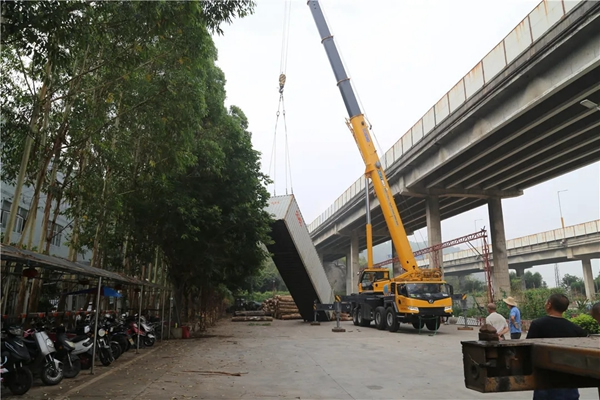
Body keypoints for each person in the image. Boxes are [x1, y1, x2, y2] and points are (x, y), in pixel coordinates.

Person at [527, 293, 587, 400]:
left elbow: (528, 350)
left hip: (545, 380)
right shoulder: (575, 329)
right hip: (569, 380)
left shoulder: (538, 325)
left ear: (549, 305)